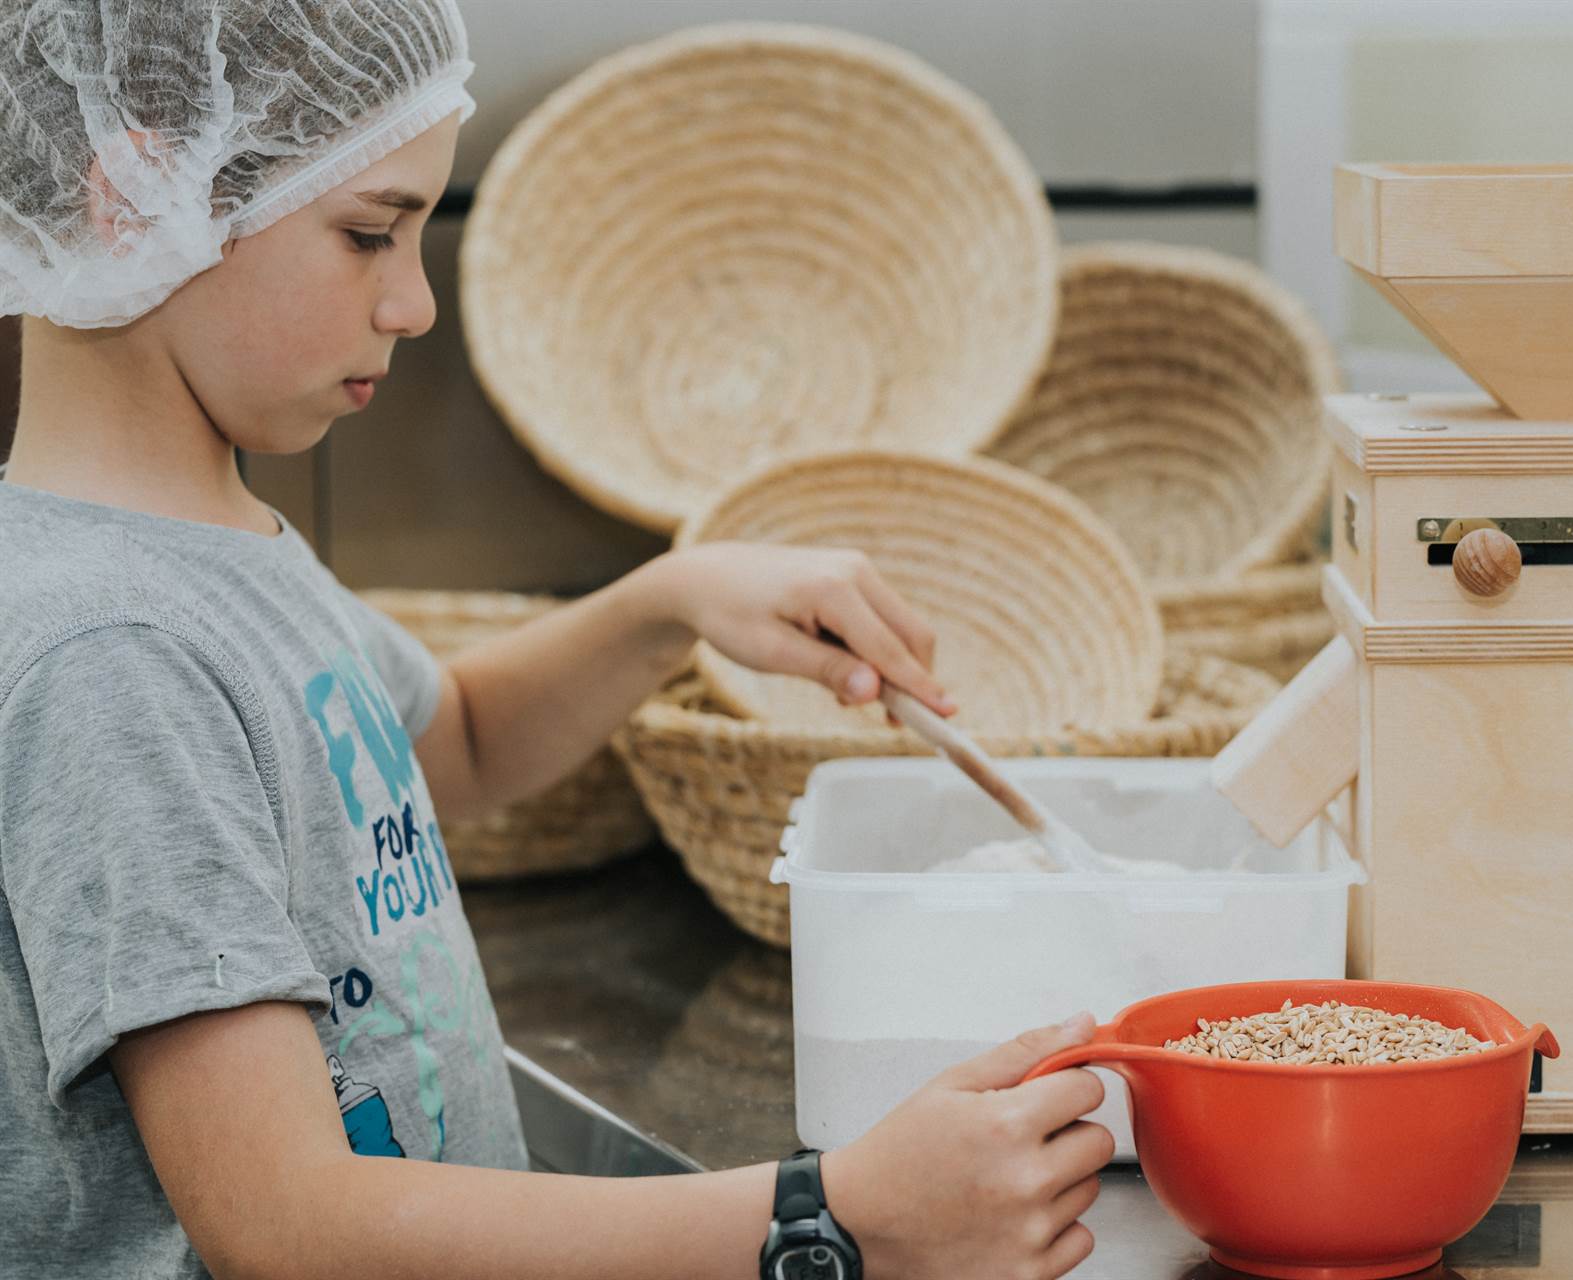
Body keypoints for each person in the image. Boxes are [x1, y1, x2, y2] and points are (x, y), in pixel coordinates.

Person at [0, 3, 1110, 1276]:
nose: (415, 302)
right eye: (368, 233)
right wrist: (831, 1209)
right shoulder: (114, 654)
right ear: (134, 190)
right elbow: (286, 1225)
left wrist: (673, 599)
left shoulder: (214, 542)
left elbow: (454, 742)